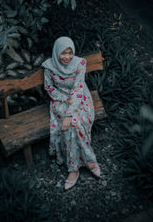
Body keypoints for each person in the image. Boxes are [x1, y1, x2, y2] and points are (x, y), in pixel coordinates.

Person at [42, 36, 101, 190]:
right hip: (59, 101)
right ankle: (80, 166)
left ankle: (79, 166)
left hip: (80, 98)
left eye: (70, 52)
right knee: (72, 125)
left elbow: (78, 88)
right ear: (56, 52)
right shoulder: (49, 66)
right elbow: (49, 88)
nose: (67, 57)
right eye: (63, 53)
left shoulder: (79, 63)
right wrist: (63, 99)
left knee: (73, 122)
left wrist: (68, 115)